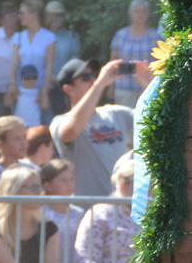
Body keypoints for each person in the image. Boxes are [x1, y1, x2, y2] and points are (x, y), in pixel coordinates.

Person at [51, 59, 136, 198]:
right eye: (85, 77)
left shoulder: (116, 112)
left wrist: (148, 82)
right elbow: (71, 130)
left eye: (94, 75)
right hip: (87, 211)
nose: (93, 80)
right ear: (68, 89)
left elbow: (153, 120)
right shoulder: (60, 121)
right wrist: (99, 84)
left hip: (121, 210)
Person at [8, 0, 56, 127]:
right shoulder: (18, 36)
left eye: (23, 13)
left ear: (33, 14)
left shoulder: (49, 37)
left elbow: (49, 65)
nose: (19, 17)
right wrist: (12, 84)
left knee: (45, 126)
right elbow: (14, 62)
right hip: (21, 90)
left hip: (39, 90)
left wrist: (44, 90)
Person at [108, 0, 162, 108]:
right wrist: (110, 87)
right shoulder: (120, 35)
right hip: (123, 88)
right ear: (130, 13)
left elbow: (160, 63)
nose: (140, 14)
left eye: (143, 11)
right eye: (137, 11)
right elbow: (113, 63)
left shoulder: (155, 36)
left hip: (147, 88)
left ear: (148, 14)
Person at [0, 116, 32, 199]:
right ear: (0, 145)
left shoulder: (31, 169)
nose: (23, 143)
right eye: (17, 139)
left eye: (25, 137)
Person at [44, 1, 82, 115]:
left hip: (63, 86)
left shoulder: (72, 37)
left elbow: (75, 62)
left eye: (60, 15)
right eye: (53, 15)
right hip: (40, 86)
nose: (56, 19)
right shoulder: (39, 35)